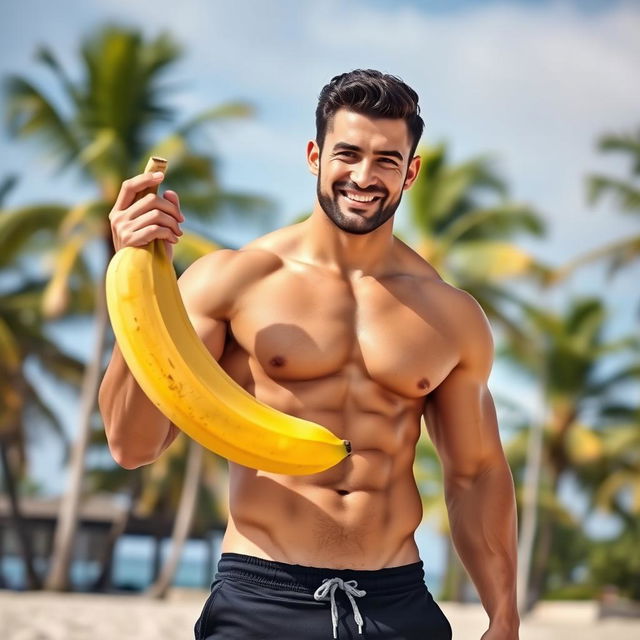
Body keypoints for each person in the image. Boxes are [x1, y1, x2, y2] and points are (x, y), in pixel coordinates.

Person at [99, 69, 520, 640]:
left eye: (387, 160)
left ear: (411, 172)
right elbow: (132, 445)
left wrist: (504, 614)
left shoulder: (450, 315)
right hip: (261, 595)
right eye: (347, 154)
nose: (364, 177)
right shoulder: (233, 282)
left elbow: (475, 475)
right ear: (314, 156)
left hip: (396, 603)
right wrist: (137, 281)